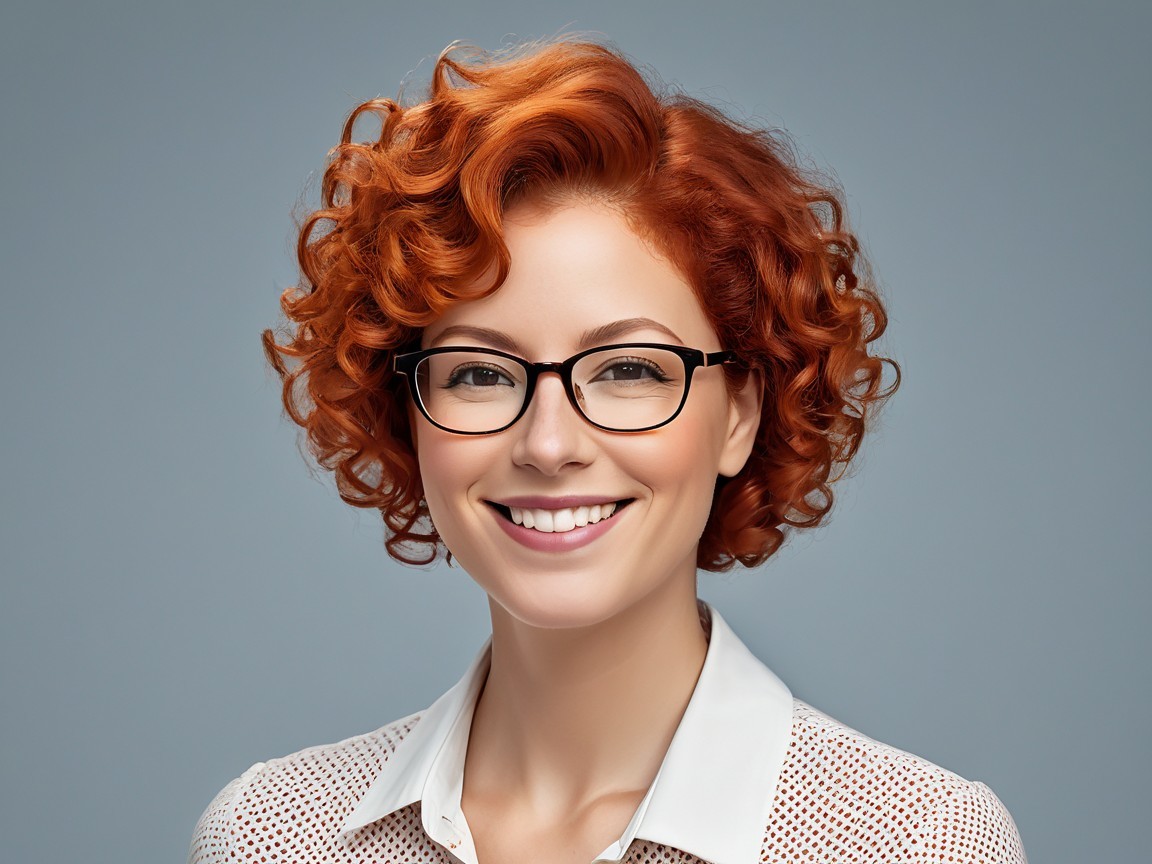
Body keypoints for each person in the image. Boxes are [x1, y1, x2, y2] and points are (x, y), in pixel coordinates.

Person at [188, 36, 1028, 863]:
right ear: (407, 411)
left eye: (628, 369)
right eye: (479, 374)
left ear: (740, 410)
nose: (549, 444)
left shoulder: (919, 843)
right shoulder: (269, 837)